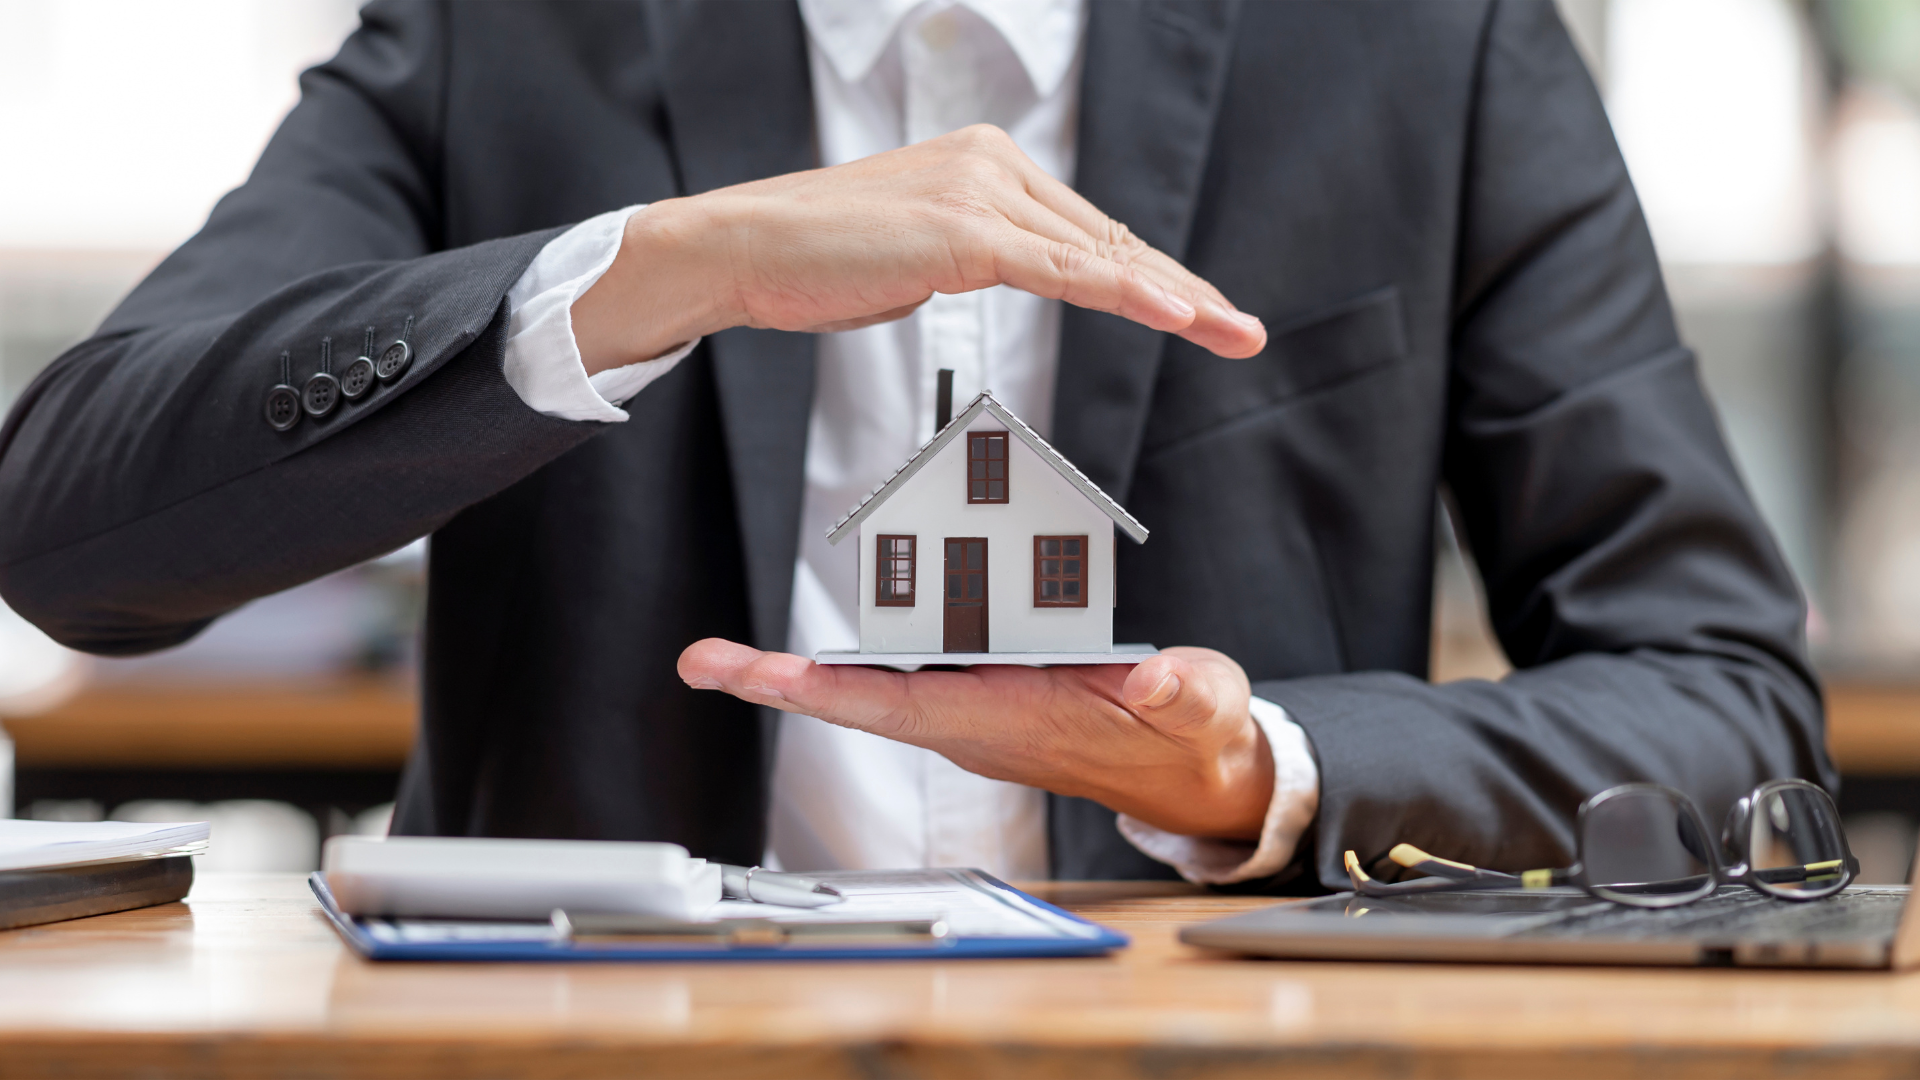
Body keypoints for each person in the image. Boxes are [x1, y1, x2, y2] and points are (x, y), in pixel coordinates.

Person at [0, 0, 1831, 891]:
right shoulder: (511, 34)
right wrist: (662, 268)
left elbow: (1726, 704)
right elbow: (68, 530)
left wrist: (1260, 766)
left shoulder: (1422, 43)